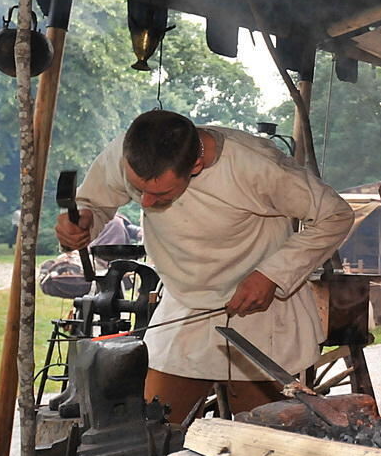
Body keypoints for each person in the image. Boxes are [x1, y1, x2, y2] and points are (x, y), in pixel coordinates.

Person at [55, 110, 354, 422]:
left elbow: (334, 215)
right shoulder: (131, 151)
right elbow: (95, 201)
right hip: (184, 309)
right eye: (137, 189)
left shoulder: (257, 166)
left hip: (260, 314)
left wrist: (273, 274)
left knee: (263, 443)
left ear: (195, 166)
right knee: (152, 434)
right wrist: (86, 219)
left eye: (160, 193)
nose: (144, 202)